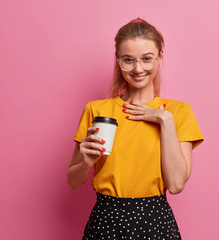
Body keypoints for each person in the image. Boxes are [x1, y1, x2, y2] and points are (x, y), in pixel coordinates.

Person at [67, 18, 204, 240]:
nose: (138, 69)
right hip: (105, 221)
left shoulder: (178, 112)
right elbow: (73, 181)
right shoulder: (97, 111)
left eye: (147, 59)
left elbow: (177, 184)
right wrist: (85, 163)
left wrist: (164, 119)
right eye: (128, 60)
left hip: (156, 222)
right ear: (118, 60)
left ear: (159, 57)